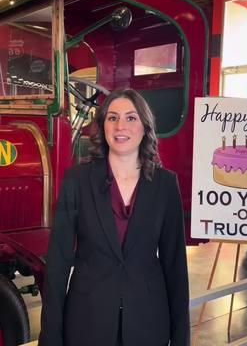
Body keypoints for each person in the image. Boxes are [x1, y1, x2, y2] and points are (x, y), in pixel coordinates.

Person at [38, 88, 190, 346]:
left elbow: (175, 267)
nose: (121, 126)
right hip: (87, 321)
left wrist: (181, 339)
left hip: (148, 322)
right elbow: (58, 264)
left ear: (145, 126)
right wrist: (51, 337)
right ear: (102, 126)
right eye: (112, 117)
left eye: (131, 118)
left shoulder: (165, 185)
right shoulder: (77, 180)